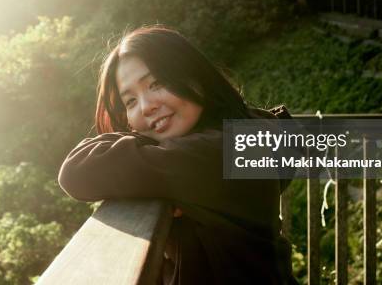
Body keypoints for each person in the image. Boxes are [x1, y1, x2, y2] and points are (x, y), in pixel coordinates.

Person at [59, 25, 297, 284]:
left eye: (156, 83)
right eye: (130, 102)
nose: (146, 106)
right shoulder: (241, 131)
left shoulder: (218, 152)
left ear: (194, 75)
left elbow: (75, 171)